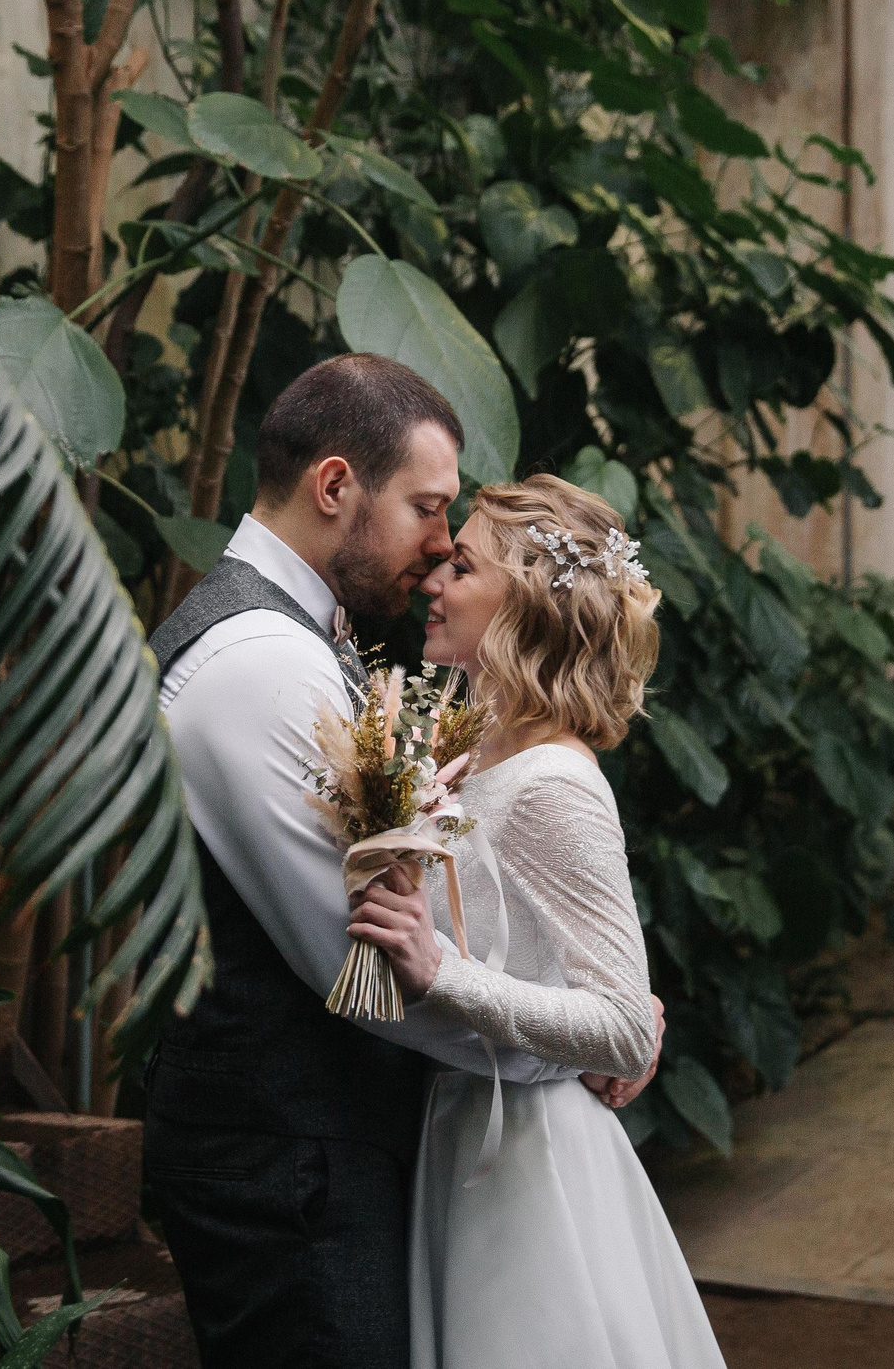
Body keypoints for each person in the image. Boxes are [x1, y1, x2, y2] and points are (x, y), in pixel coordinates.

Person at [143, 359, 664, 1369]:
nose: (437, 549)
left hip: (347, 1151)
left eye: (458, 545)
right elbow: (367, 971)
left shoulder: (309, 646)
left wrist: (598, 1006)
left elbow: (442, 926)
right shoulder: (261, 661)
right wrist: (584, 1040)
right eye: (427, 508)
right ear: (336, 486)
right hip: (291, 1160)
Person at [347, 474, 725, 1369]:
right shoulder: (469, 750)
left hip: (531, 1160)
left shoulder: (555, 782)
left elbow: (624, 1026)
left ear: (522, 605)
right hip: (465, 1129)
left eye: (462, 567)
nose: (434, 579)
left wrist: (442, 973)